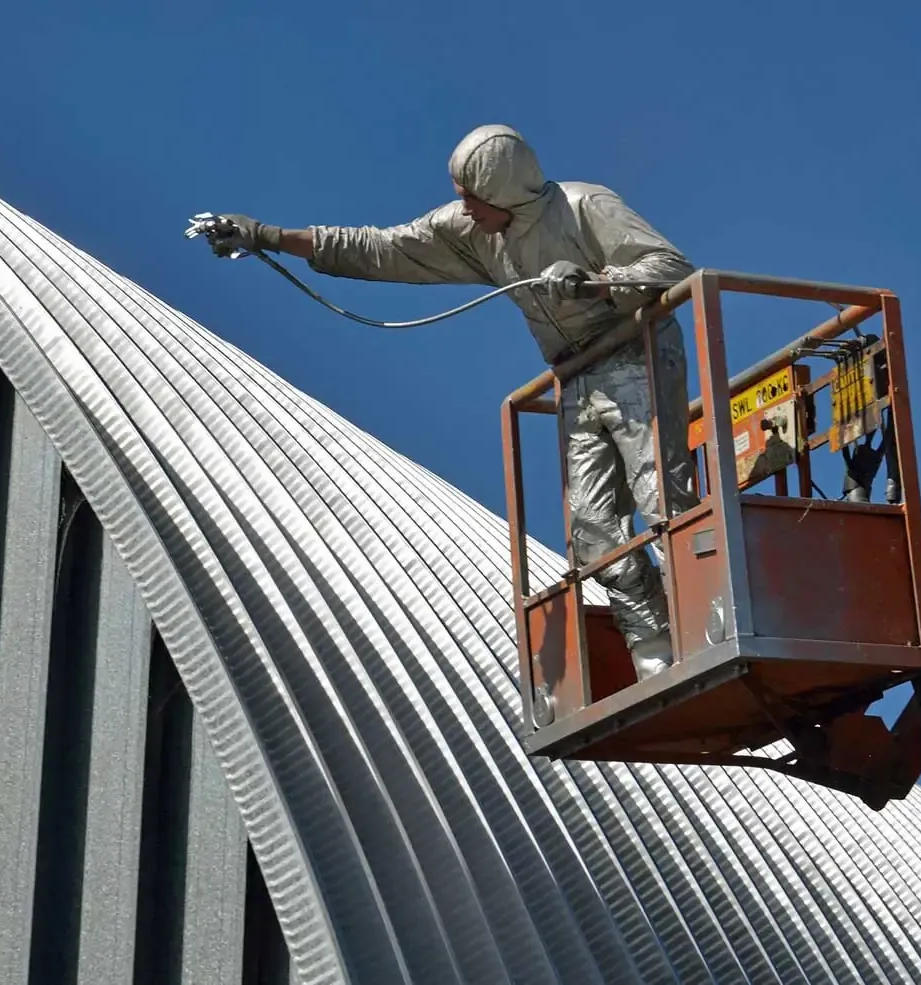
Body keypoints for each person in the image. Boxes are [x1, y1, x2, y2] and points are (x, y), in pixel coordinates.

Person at [207, 124, 698, 681]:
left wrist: (598, 282)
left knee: (662, 497)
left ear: (505, 190)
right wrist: (267, 235)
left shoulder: (584, 205)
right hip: (577, 374)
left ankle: (710, 623)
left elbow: (670, 266)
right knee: (592, 529)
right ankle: (655, 650)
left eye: (473, 194)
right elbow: (381, 248)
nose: (463, 206)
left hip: (635, 353)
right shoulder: (473, 232)